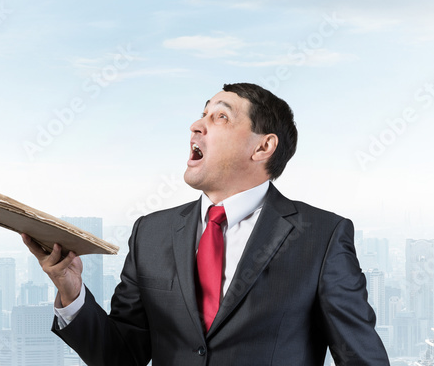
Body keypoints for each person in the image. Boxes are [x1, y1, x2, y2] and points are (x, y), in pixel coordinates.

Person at [23, 82, 389, 366]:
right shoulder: (151, 233)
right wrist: (71, 291)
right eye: (202, 115)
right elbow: (121, 357)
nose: (196, 126)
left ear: (262, 148)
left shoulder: (321, 237)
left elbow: (361, 358)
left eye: (220, 117)